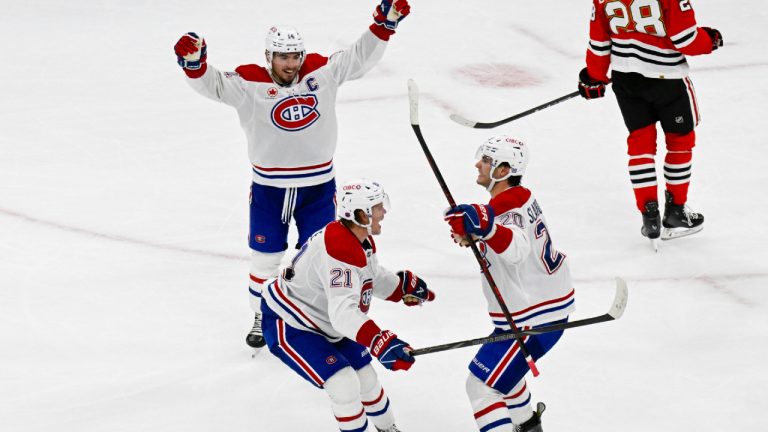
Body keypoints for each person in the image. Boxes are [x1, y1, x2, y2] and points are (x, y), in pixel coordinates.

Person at [172, 0, 412, 349]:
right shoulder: (248, 82)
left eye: (295, 56)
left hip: (318, 188)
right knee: (265, 260)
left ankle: (318, 316)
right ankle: (263, 315)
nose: (291, 64)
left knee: (324, 256)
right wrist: (194, 65)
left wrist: (385, 24)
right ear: (269, 56)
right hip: (270, 190)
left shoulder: (320, 73)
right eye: (283, 57)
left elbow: (358, 58)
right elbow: (213, 85)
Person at [260, 179, 435, 432]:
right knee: (344, 385)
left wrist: (400, 288)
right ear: (361, 214)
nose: (383, 211)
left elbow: (370, 277)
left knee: (367, 379)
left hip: (326, 321)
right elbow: (343, 313)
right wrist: (378, 339)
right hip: (291, 323)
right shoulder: (339, 249)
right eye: (377, 207)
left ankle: (388, 429)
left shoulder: (359, 239)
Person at [443, 136, 575, 432]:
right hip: (539, 309)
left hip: (535, 317)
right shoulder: (516, 198)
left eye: (487, 161)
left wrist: (486, 228)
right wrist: (477, 233)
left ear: (503, 171)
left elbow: (516, 249)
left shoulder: (505, 208)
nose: (478, 164)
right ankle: (528, 426)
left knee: (481, 387)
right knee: (507, 379)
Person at [577, 0, 722, 243]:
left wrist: (594, 76)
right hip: (668, 80)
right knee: (681, 141)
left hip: (627, 82)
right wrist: (709, 40)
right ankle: (675, 211)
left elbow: (599, 44)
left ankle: (649, 216)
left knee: (640, 143)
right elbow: (685, 38)